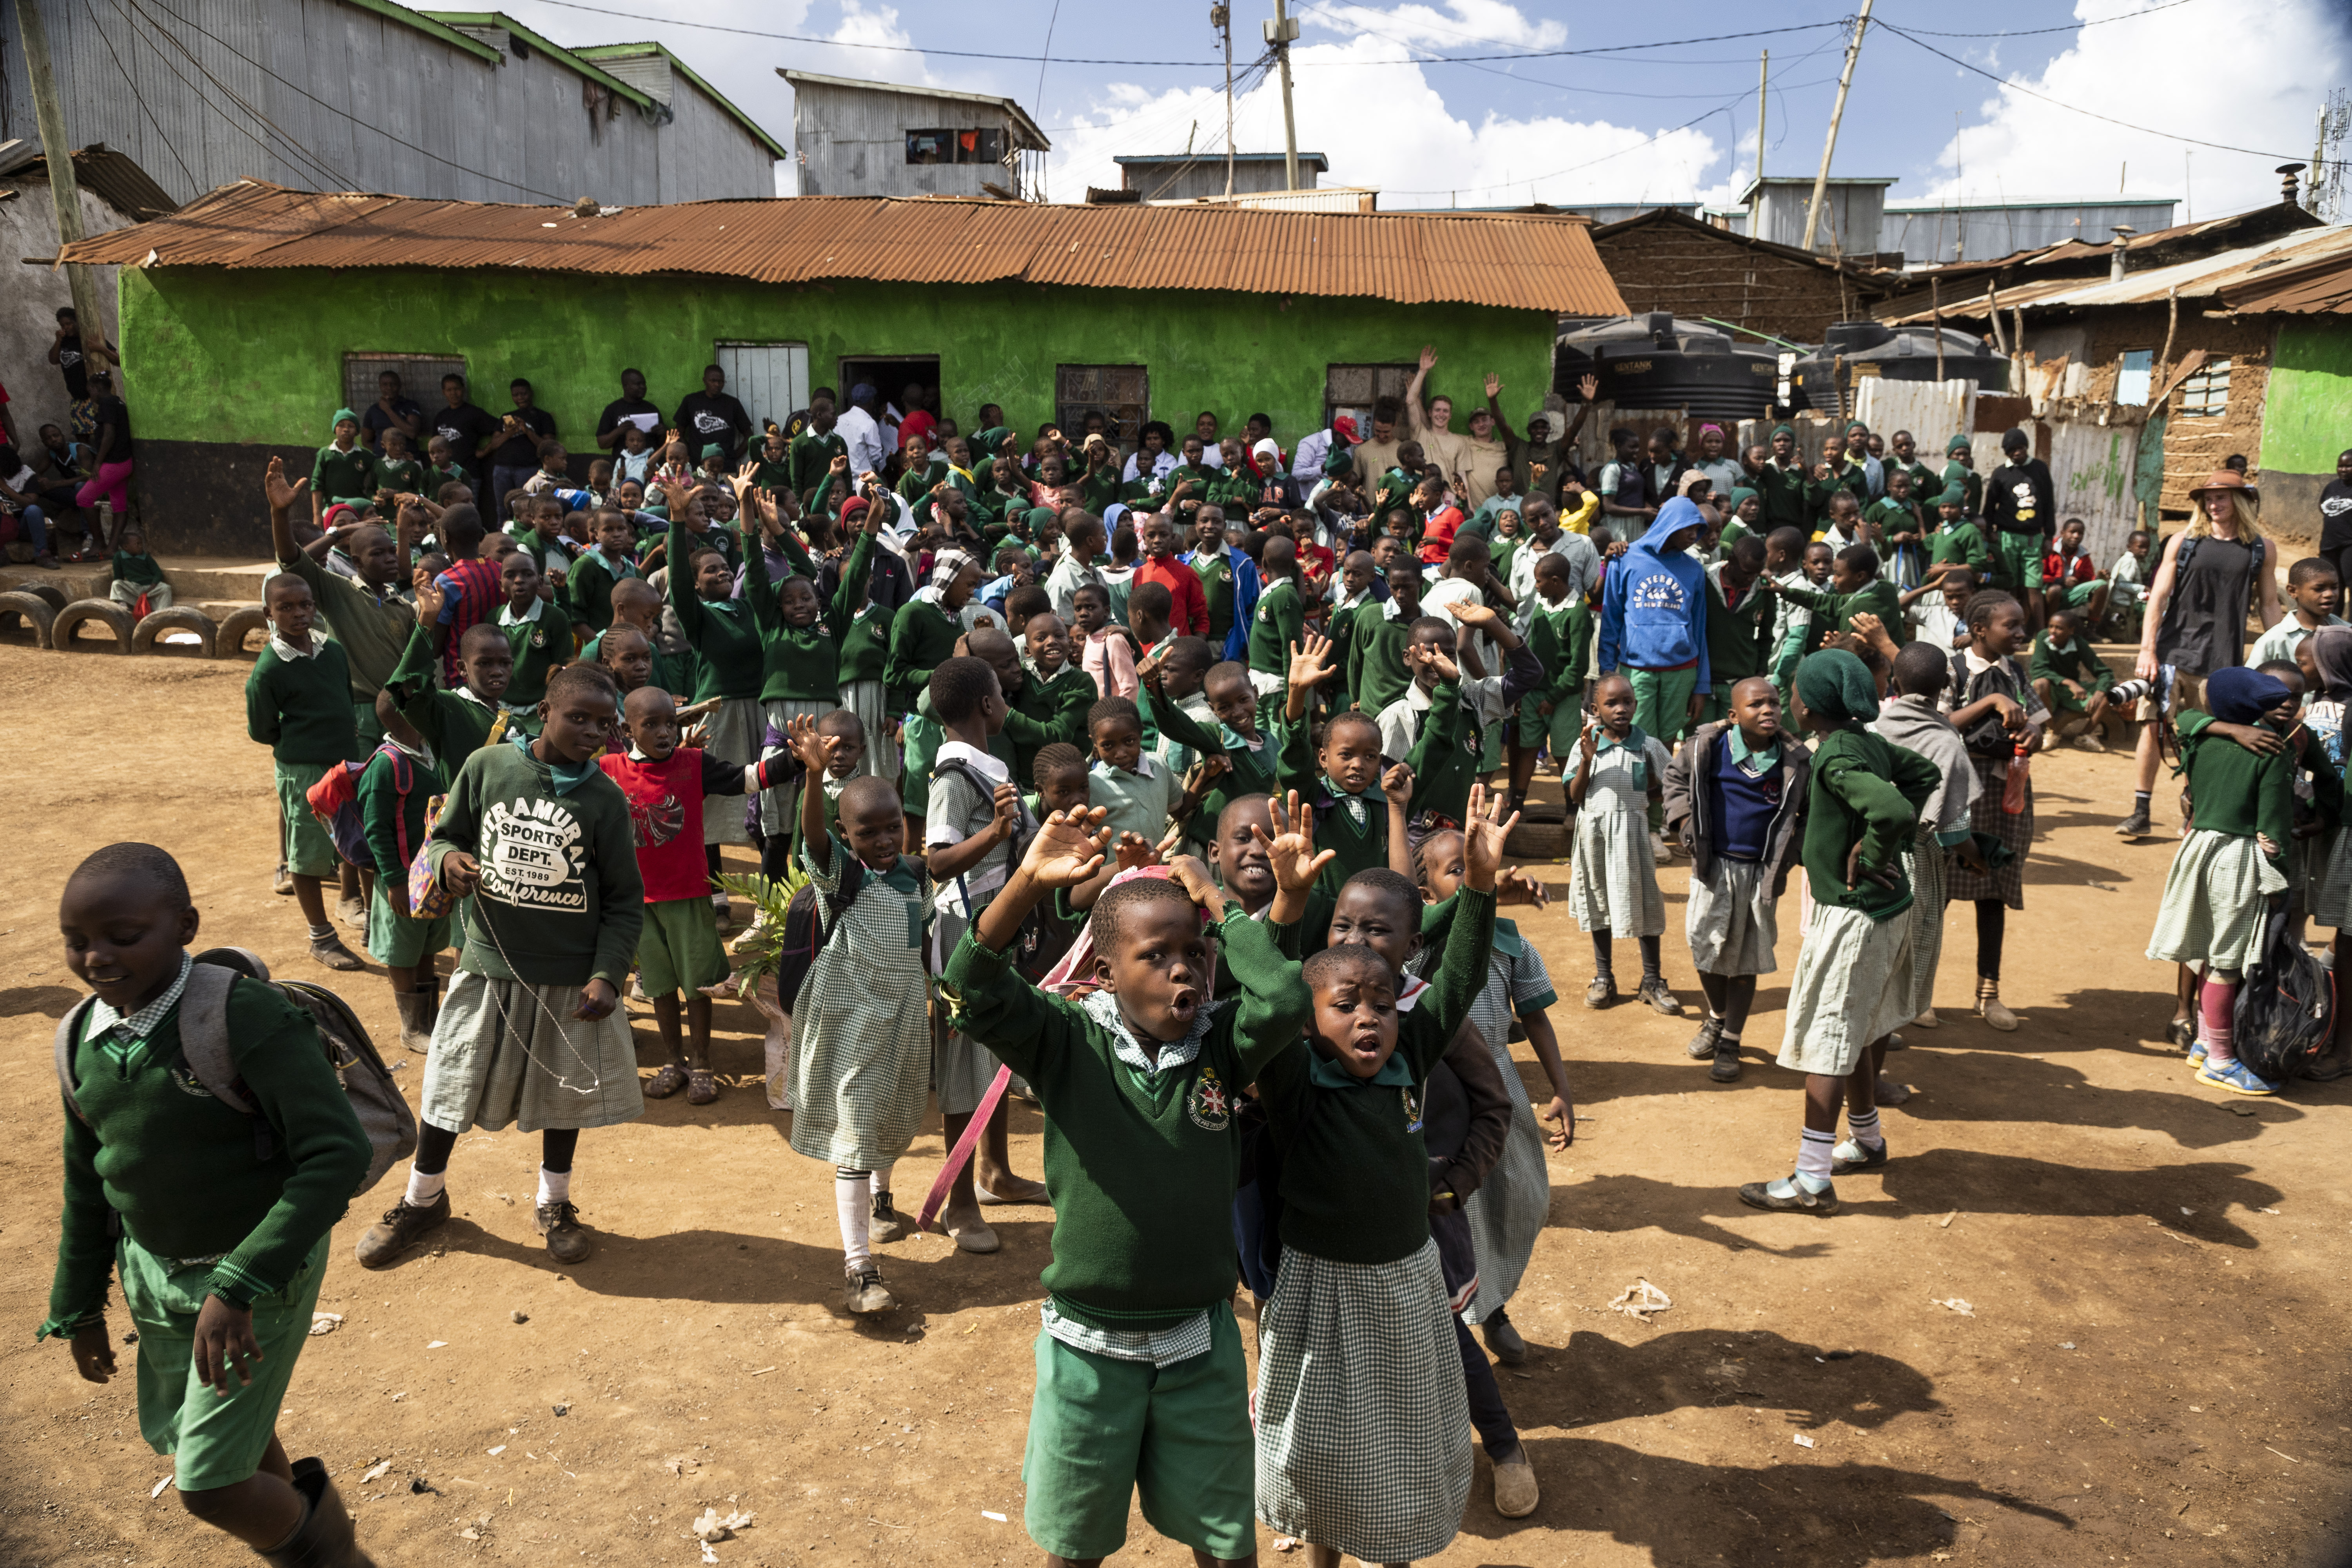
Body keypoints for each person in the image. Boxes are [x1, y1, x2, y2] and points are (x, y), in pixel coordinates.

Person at [46, 843, 374, 1568]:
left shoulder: (242, 1017)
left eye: (123, 937)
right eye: (77, 941)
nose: (96, 957)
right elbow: (87, 1182)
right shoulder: (80, 1040)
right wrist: (79, 1305)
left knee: (211, 1485)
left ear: (186, 927)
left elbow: (337, 1154)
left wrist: (240, 1285)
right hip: (156, 1276)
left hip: (258, 1280)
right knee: (240, 1443)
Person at [1255, 797, 1509, 1568]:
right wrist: (1287, 904)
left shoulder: (1410, 1056)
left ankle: (1392, 1546)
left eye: (1382, 1005)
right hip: (1319, 1286)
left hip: (1403, 1283)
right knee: (1322, 1444)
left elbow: (1459, 977)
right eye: (1345, 1005)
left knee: (1397, 1439)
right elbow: (1270, 999)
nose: (1369, 1019)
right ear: (1308, 1020)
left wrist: (1480, 890)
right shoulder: (1296, 1079)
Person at [359, 664, 643, 1269]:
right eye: (578, 718)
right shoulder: (488, 768)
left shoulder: (605, 800)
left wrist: (607, 974)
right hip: (488, 966)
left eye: (604, 723)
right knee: (448, 1085)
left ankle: (554, 1203)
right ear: (544, 711)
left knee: (561, 1097)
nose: (592, 732)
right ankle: (423, 1200)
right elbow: (444, 836)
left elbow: (624, 900)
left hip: (568, 977)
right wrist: (448, 860)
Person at [1739, 650, 1938, 1214]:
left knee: (1828, 1042)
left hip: (1856, 916)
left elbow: (1893, 810)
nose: (1789, 701)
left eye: (1793, 692)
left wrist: (1874, 850)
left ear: (1808, 705)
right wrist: (1881, 846)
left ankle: (1812, 1180)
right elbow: (1923, 774)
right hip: (1883, 910)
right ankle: (1868, 1138)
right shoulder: (1863, 741)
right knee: (1863, 1029)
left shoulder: (1835, 757)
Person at [1409, 826, 1572, 1379]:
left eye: (1478, 865)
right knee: (1455, 1207)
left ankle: (1494, 1298)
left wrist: (1562, 1088)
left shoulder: (1511, 941)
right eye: (1456, 869)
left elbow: (1536, 1017)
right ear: (1426, 891)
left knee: (1521, 1198)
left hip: (1499, 1088)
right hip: (1440, 1095)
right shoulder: (1422, 944)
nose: (1471, 875)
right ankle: (1476, 1317)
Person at [923, 656, 1048, 1251]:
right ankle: (960, 1201)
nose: (1006, 700)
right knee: (964, 1063)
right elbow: (937, 861)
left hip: (999, 928)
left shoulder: (989, 768)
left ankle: (995, 1172)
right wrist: (994, 834)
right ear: (986, 705)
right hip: (964, 935)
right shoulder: (952, 778)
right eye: (1001, 691)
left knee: (997, 1050)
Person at [600, 685, 773, 1105]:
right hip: (639, 902)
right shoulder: (608, 770)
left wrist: (798, 761)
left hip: (689, 895)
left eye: (671, 724)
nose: (665, 732)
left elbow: (746, 778)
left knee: (698, 985)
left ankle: (702, 1062)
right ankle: (673, 1061)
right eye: (652, 725)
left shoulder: (692, 764)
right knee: (660, 986)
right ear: (627, 730)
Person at [2148, 666, 2301, 1097]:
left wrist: (2225, 726)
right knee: (2228, 963)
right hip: (2239, 858)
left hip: (2200, 848)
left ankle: (2203, 1042)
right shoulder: (2271, 750)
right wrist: (2280, 875)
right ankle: (2219, 1061)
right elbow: (2274, 825)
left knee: (2211, 954)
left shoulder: (2200, 738)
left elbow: (2183, 719)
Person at [2122, 470, 2285, 837]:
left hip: (2222, 661)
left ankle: (2193, 810)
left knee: (2205, 737)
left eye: (2221, 498)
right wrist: (2147, 650)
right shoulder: (2183, 542)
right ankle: (2141, 811)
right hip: (2171, 652)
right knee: (2153, 727)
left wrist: (2278, 656)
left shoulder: (2261, 549)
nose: (2213, 505)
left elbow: (2269, 604)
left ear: (2239, 501)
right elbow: (2158, 597)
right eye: (2208, 499)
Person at [1664, 675, 1810, 1083]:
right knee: (1704, 947)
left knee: (1746, 959)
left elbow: (1808, 814)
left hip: (1761, 874)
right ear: (1733, 715)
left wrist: (1792, 853)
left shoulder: (1795, 760)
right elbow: (1674, 781)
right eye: (1756, 704)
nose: (1768, 710)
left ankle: (1731, 1039)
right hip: (1713, 868)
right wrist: (1685, 823)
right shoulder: (1707, 748)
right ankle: (1716, 1016)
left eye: (1774, 703)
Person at [245, 573, 367, 972]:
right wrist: (302, 743)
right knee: (308, 854)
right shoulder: (269, 669)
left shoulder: (332, 651)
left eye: (306, 605)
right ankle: (321, 937)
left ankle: (358, 908)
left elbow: (344, 700)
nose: (299, 613)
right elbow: (262, 729)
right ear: (269, 614)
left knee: (355, 840)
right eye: (286, 608)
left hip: (343, 763)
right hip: (303, 770)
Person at [1943, 591, 2047, 1031]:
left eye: (2022, 624)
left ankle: (1988, 992)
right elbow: (1937, 724)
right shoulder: (1953, 669)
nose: (2022, 632)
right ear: (1980, 630)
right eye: (2012, 625)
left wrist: (2035, 735)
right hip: (1958, 793)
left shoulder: (2015, 672)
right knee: (1938, 890)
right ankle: (1917, 991)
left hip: (2006, 793)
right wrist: (1989, 703)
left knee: (1994, 889)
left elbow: (2039, 720)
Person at [1871, 640, 1982, 1046]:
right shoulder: (1946, 741)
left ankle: (1871, 1026)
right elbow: (1952, 830)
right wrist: (1980, 858)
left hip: (1869, 853)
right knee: (1906, 949)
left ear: (1895, 684)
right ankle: (1881, 1031)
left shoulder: (1874, 729)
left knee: (1872, 949)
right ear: (1945, 687)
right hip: (1915, 862)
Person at [1567, 670, 1677, 1013]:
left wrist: (1649, 794)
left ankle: (1653, 980)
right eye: (1611, 703)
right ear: (1595, 709)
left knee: (1646, 901)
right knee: (1598, 899)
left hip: (1633, 835)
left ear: (1636, 705)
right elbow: (1575, 795)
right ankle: (1604, 977)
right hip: (1595, 836)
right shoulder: (1586, 745)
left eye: (1627, 702)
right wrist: (1587, 760)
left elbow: (1673, 784)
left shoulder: (1648, 746)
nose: (1621, 709)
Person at [1598, 497, 1711, 802]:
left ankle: (1661, 815)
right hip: (1637, 669)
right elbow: (1611, 619)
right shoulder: (1625, 558)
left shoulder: (1694, 569)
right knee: (1636, 743)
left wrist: (1701, 686)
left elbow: (1700, 628)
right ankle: (1637, 808)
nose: (1694, 535)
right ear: (1670, 525)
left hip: (1682, 671)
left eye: (1698, 530)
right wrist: (1607, 670)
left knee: (1666, 744)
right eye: (1689, 528)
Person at [1982, 430, 2055, 618]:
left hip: (2033, 538)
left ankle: (2039, 631)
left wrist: (2049, 536)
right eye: (2012, 450)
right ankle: (2011, 627)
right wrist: (1989, 530)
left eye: (2021, 448)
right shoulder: (2001, 473)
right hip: (2007, 537)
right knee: (2011, 585)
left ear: (2026, 447)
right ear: (2006, 452)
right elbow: (1990, 505)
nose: (2017, 453)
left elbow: (2049, 504)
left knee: (2034, 586)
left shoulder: (2040, 469)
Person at [2030, 608, 2122, 753]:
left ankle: (2085, 735)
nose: (2053, 631)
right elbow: (2037, 670)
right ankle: (2052, 732)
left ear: (2071, 631)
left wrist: (2099, 692)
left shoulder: (2079, 643)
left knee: (2113, 690)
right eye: (2051, 626)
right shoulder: (2043, 637)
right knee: (2041, 684)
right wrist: (2070, 683)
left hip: (2071, 694)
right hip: (2051, 690)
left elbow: (2105, 673)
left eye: (2059, 628)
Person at [2249, 557, 2347, 670]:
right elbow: (2251, 678)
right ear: (2293, 591)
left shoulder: (2346, 632)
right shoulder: (2274, 641)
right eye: (2319, 589)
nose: (2330, 594)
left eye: (2334, 587)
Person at [1135, 511, 1210, 637]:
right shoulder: (1139, 574)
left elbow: (1201, 619)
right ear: (1144, 539)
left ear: (1172, 537)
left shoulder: (1187, 573)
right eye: (1151, 535)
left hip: (1178, 647)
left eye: (1164, 535)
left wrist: (1196, 646)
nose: (1157, 540)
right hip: (1146, 649)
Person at [76, 369, 134, 530]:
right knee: (119, 505)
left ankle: (98, 541)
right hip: (124, 462)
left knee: (83, 498)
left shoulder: (107, 404)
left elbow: (109, 435)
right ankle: (114, 543)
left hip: (114, 463)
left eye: (91, 391)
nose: (91, 396)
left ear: (98, 389)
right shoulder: (117, 402)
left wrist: (97, 463)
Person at [310, 409, 379, 528]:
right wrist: (317, 515)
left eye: (351, 426)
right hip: (332, 507)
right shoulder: (325, 454)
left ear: (357, 431)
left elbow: (378, 478)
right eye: (341, 425)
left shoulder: (366, 456)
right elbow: (317, 485)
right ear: (335, 429)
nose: (346, 429)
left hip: (358, 509)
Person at [677, 365, 754, 466]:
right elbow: (678, 433)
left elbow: (749, 436)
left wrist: (733, 457)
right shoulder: (691, 401)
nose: (717, 385)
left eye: (721, 382)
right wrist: (690, 455)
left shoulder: (732, 404)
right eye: (713, 381)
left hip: (726, 468)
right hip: (698, 467)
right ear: (705, 381)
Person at [594, 368, 662, 453]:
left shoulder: (652, 409)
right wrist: (619, 431)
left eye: (644, 384)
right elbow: (602, 444)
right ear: (625, 386)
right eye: (638, 384)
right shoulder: (613, 410)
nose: (643, 387)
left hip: (650, 460)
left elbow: (662, 444)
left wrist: (662, 434)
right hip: (624, 460)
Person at [107, 523, 171, 613]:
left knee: (166, 588)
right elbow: (118, 576)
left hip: (150, 587)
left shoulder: (146, 557)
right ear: (126, 547)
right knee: (116, 584)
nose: (141, 546)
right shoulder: (119, 557)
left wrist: (153, 586)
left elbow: (158, 573)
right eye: (138, 544)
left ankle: (162, 612)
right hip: (134, 587)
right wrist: (121, 589)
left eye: (141, 544)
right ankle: (123, 605)